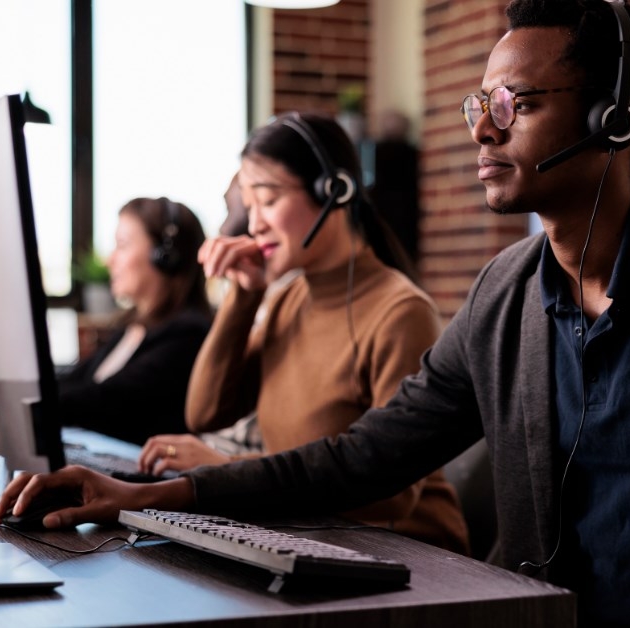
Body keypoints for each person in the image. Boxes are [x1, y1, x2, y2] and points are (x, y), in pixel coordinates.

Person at [0, 2, 630, 625]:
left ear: (616, 121)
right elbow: (360, 457)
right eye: (480, 105)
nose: (486, 128)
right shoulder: (507, 295)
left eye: (517, 104)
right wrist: (140, 496)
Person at [136, 113, 469, 554]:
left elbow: (395, 492)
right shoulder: (285, 299)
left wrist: (227, 470)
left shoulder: (400, 311)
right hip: (307, 537)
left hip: (411, 555)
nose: (253, 226)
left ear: (331, 191)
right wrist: (243, 295)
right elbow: (205, 412)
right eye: (248, 207)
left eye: (268, 201)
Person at [57, 197, 212, 445]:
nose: (110, 260)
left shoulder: (188, 334)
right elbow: (77, 380)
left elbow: (103, 401)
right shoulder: (133, 327)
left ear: (164, 256)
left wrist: (29, 401)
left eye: (122, 245)